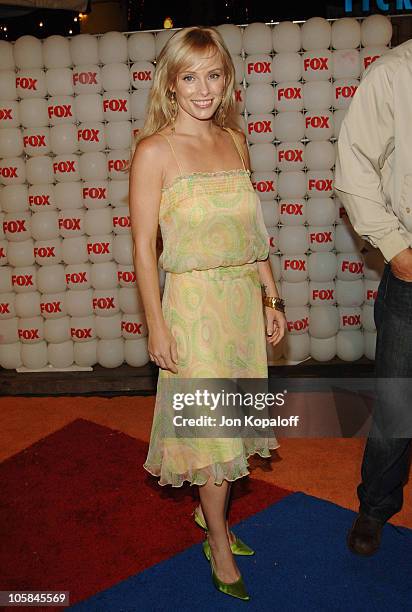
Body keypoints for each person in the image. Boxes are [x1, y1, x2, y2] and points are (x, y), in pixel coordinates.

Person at [129, 26, 286, 601]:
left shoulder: (235, 141)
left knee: (234, 423)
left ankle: (211, 517)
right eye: (189, 76)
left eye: (213, 74)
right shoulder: (154, 151)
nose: (203, 89)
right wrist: (156, 324)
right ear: (171, 84)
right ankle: (217, 537)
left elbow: (253, 230)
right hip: (192, 308)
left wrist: (271, 296)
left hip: (242, 301)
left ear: (227, 79)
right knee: (212, 432)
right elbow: (144, 248)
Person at [335, 39, 412, 556]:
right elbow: (354, 165)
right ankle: (375, 507)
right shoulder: (393, 74)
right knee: (397, 405)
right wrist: (397, 249)